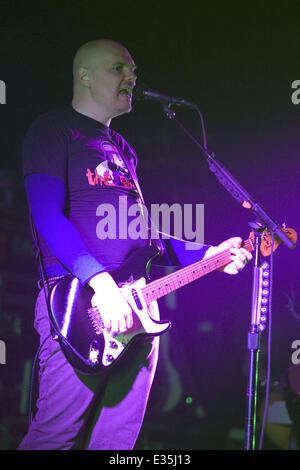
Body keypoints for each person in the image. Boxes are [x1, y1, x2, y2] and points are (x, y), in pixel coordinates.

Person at [18, 39, 252, 450]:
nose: (132, 78)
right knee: (55, 438)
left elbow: (145, 234)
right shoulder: (53, 129)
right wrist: (103, 288)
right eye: (119, 69)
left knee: (115, 445)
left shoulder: (123, 150)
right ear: (85, 76)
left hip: (140, 309)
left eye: (134, 71)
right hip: (81, 306)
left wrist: (207, 255)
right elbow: (47, 217)